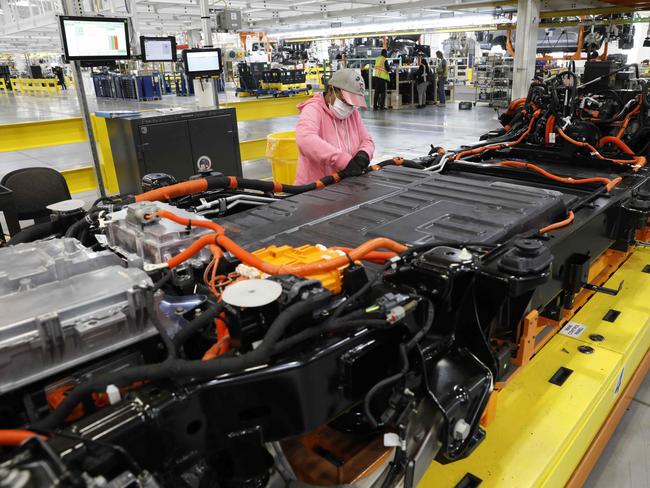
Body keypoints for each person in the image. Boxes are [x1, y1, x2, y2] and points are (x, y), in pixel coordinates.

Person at [294, 68, 374, 185]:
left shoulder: (352, 113)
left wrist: (364, 154)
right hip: (314, 189)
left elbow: (367, 140)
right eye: (345, 100)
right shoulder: (313, 109)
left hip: (343, 186)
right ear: (331, 90)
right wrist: (343, 161)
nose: (349, 107)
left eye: (353, 104)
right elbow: (305, 140)